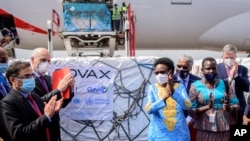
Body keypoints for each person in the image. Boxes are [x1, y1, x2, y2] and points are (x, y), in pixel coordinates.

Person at [0, 61, 64, 141]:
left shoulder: (34, 96)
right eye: (26, 76)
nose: (31, 79)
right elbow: (18, 134)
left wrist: (53, 111)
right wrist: (47, 116)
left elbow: (45, 121)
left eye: (32, 76)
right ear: (13, 79)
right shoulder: (7, 104)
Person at [189, 57, 239, 141]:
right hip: (204, 129)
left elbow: (236, 104)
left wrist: (229, 108)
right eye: (208, 69)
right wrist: (207, 107)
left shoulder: (225, 84)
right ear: (202, 70)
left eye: (213, 68)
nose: (211, 71)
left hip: (223, 129)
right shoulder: (195, 86)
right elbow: (191, 110)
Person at [30, 47, 74, 141]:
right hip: (39, 126)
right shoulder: (28, 80)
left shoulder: (49, 79)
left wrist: (70, 88)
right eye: (43, 60)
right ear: (32, 60)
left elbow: (62, 103)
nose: (46, 63)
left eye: (49, 61)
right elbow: (35, 103)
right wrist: (58, 89)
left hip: (53, 126)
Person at [145, 57, 191, 141]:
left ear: (171, 72)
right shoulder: (152, 88)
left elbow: (187, 106)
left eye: (162, 72)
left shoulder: (179, 87)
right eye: (156, 73)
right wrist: (164, 98)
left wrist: (173, 92)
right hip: (158, 135)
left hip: (179, 134)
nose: (159, 75)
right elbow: (149, 109)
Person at [217, 44, 249, 125]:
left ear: (235, 57)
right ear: (222, 57)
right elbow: (217, 86)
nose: (229, 60)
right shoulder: (217, 68)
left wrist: (236, 75)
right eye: (226, 58)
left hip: (239, 107)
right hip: (222, 107)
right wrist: (230, 77)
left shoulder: (242, 69)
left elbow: (247, 87)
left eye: (232, 58)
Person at [173, 54, 200, 141]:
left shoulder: (197, 81)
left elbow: (198, 101)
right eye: (179, 66)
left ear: (190, 68)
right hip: (173, 120)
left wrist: (189, 118)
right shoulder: (170, 80)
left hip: (191, 119)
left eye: (184, 67)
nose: (181, 69)